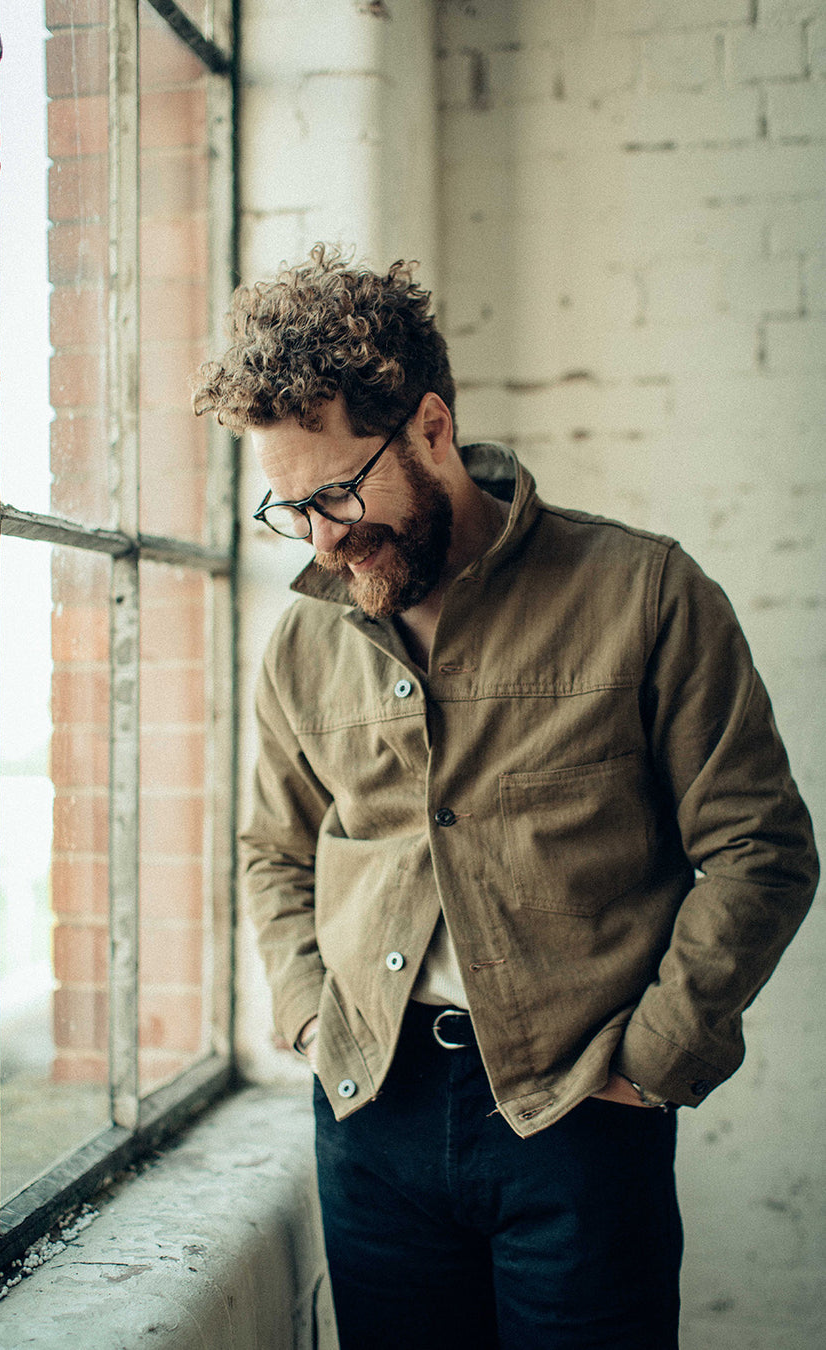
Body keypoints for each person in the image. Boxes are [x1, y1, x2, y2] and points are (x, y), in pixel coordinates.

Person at [193, 245, 819, 1349]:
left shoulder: (645, 594)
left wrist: (650, 1063)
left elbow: (759, 850)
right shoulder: (302, 642)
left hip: (582, 1119)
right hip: (370, 1119)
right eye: (291, 509)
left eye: (338, 492)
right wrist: (307, 1015)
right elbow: (274, 851)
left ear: (432, 426)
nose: (325, 539)